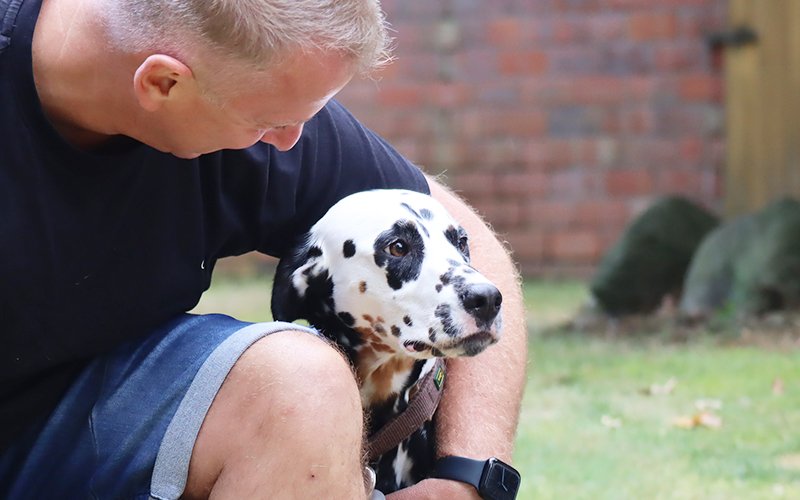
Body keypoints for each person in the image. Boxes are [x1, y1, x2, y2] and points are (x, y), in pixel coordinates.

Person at [0, 0, 527, 498]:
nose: (291, 141)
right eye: (267, 121)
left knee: (300, 382)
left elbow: (467, 240)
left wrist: (469, 471)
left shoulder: (237, 93)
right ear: (163, 83)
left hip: (87, 418)